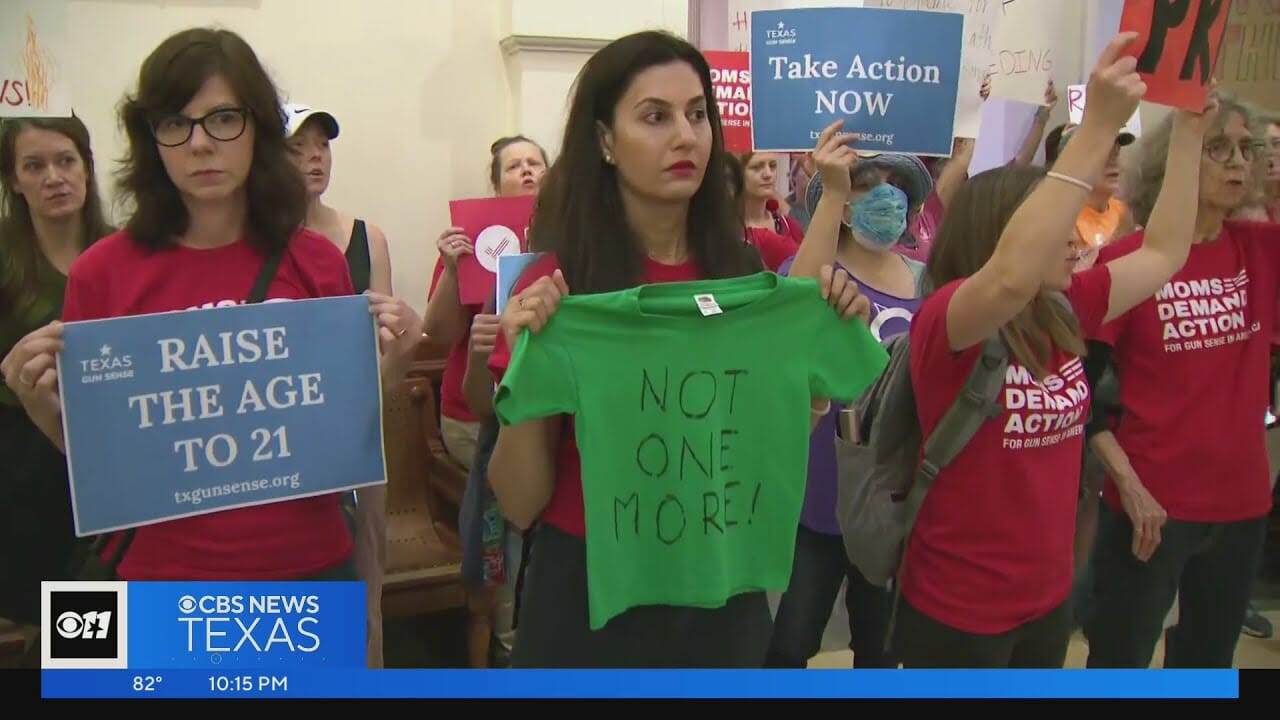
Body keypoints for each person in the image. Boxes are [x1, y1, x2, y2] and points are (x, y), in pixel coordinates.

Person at [792, 32, 1210, 668]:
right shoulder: (949, 321)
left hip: (1045, 600)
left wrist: (1187, 129)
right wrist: (1096, 125)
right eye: (1053, 225)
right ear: (1003, 235)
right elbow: (1009, 277)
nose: (1071, 239)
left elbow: (1165, 251)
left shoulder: (1066, 306)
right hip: (959, 607)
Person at [483, 30, 875, 668]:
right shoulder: (558, 289)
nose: (685, 136)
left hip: (723, 591)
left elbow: (762, 444)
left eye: (698, 115)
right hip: (590, 601)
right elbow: (522, 502)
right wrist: (528, 367)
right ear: (605, 140)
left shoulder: (748, 276)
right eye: (655, 117)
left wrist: (813, 350)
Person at [1, 28, 424, 588]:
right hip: (161, 579)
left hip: (311, 569)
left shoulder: (317, 262)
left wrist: (389, 371)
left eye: (223, 118)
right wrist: (41, 409)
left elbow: (344, 443)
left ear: (259, 129)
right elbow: (107, 466)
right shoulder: (102, 274)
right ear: (151, 139)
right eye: (176, 123)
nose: (200, 144)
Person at [1082, 92, 1277, 669]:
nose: (1239, 162)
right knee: (1121, 658)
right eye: (1219, 147)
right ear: (1176, 161)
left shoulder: (1260, 250)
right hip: (1150, 507)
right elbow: (1083, 396)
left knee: (1208, 663)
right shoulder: (1129, 261)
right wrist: (1130, 484)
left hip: (1241, 503)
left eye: (1248, 148)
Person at [766, 159, 923, 669]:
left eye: (896, 185)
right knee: (790, 642)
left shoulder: (928, 279)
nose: (886, 195)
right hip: (816, 495)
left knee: (880, 647)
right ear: (841, 200)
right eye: (867, 183)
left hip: (891, 497)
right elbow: (784, 339)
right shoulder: (814, 272)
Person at [284, 100, 397, 669]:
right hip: (287, 444)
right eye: (297, 148)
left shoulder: (364, 237)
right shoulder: (262, 246)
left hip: (358, 436)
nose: (313, 158)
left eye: (321, 146)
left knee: (365, 587)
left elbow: (382, 346)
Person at [0, 115, 114, 665]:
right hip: (26, 469)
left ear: (87, 170)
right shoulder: (5, 262)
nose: (53, 177)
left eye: (65, 161)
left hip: (112, 464)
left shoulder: (125, 254)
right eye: (34, 166)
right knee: (64, 635)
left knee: (115, 627)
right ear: (14, 181)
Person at [426, 135, 548, 469]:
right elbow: (440, 333)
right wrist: (453, 271)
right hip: (474, 415)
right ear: (496, 186)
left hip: (546, 409)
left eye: (534, 164)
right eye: (513, 166)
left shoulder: (568, 236)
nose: (526, 172)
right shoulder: (471, 239)